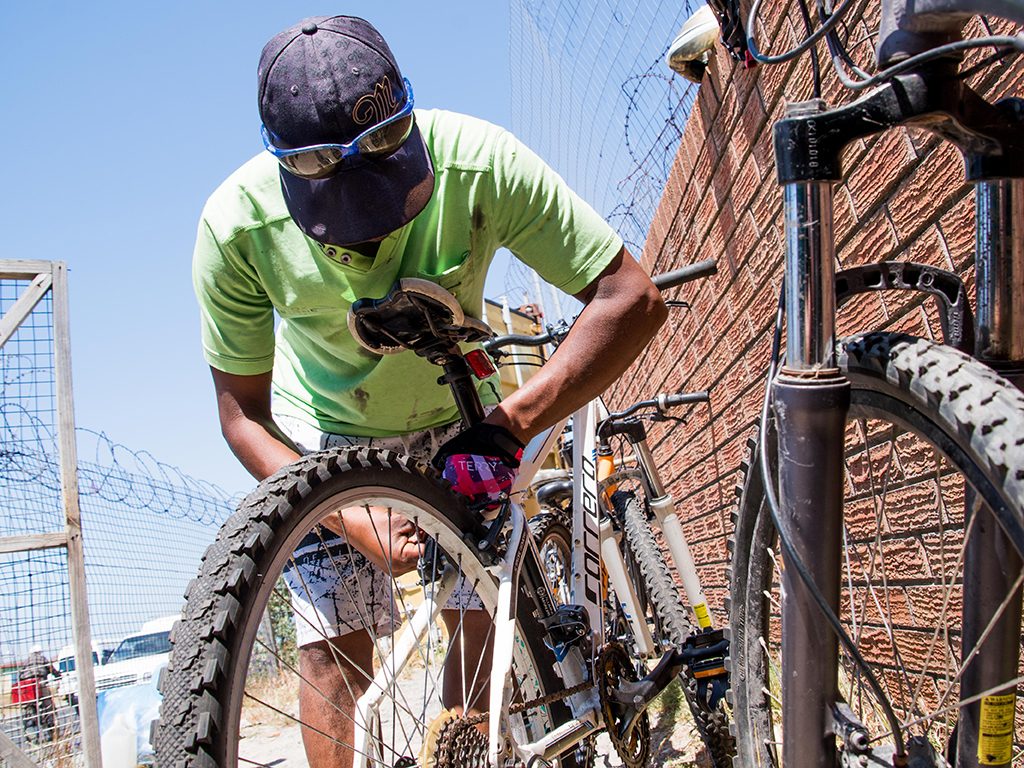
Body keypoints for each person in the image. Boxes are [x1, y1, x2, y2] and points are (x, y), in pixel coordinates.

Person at [193, 15, 667, 768]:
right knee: (328, 654)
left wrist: (510, 428)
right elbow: (242, 416)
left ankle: (458, 754)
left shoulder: (478, 163)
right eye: (342, 230)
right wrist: (346, 515)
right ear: (284, 170)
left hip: (459, 419)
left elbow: (630, 297)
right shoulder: (235, 229)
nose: (369, 245)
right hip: (325, 437)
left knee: (474, 615)